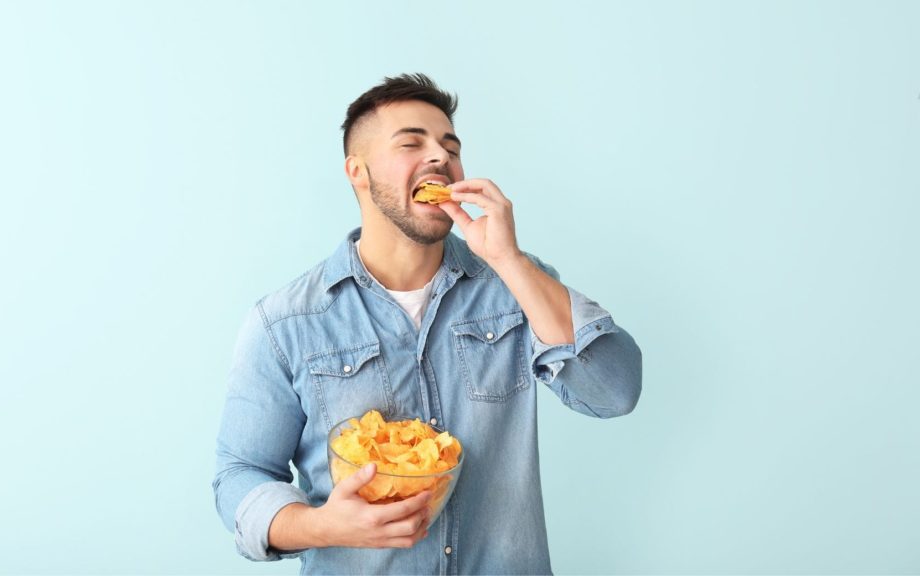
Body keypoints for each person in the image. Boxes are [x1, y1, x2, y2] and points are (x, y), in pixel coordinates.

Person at [213, 73, 642, 574]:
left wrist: (509, 261)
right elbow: (240, 474)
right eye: (411, 143)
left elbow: (614, 392)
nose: (440, 157)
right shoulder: (284, 322)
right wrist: (321, 525)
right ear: (359, 171)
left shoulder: (516, 284)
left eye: (449, 146)